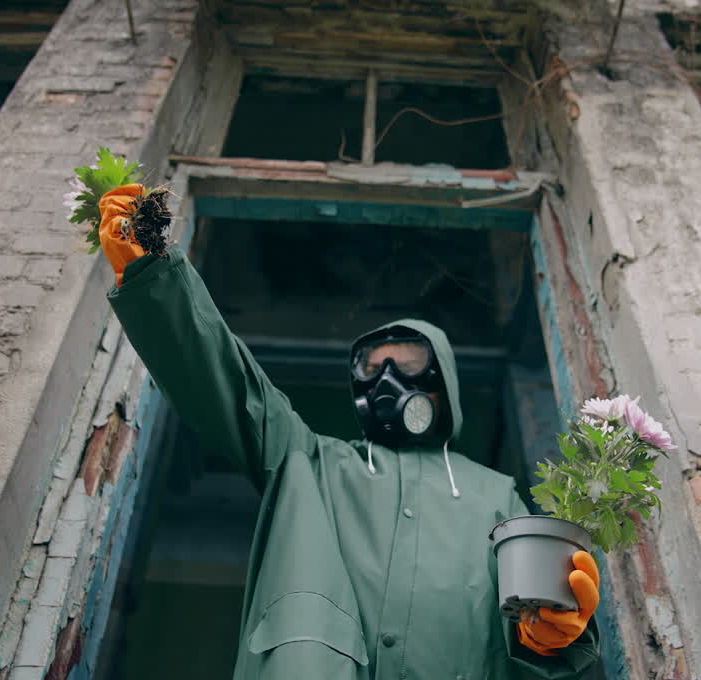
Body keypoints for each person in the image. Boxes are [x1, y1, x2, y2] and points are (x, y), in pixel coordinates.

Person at [100, 184, 601, 679]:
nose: (386, 383)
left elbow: (533, 617)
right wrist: (154, 275)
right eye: (371, 368)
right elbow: (230, 385)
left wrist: (546, 640)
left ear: (442, 382)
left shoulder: (496, 495)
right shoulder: (310, 464)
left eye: (407, 364)